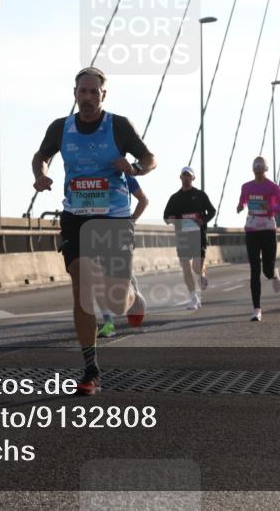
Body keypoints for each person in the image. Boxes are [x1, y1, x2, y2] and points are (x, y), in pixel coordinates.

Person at [32, 66, 156, 395]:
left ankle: (132, 298)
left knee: (114, 303)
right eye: (81, 92)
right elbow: (40, 156)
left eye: (93, 92)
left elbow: (150, 157)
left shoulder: (118, 126)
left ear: (103, 95)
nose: (87, 98)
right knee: (80, 281)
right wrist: (41, 174)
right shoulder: (61, 128)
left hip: (114, 217)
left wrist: (136, 168)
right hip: (76, 214)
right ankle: (91, 369)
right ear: (74, 94)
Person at [236, 157, 280, 322]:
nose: (259, 169)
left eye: (261, 166)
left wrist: (271, 207)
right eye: (256, 166)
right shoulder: (246, 186)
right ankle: (256, 309)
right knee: (254, 268)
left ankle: (274, 275)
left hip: (268, 228)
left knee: (267, 270)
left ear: (265, 169)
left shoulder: (273, 187)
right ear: (253, 169)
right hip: (252, 229)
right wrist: (240, 206)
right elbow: (243, 200)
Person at [98, 174, 148, 338]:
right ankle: (108, 323)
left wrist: (131, 221)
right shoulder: (86, 174)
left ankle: (132, 290)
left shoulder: (125, 176)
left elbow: (143, 200)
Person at [163, 166, 216, 311]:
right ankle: (193, 298)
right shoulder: (175, 198)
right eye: (184, 175)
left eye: (189, 175)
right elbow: (166, 217)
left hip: (198, 236)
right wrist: (172, 219)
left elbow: (212, 211)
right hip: (182, 238)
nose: (186, 177)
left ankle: (202, 274)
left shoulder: (200, 195)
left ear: (193, 178)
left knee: (196, 268)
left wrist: (203, 220)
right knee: (186, 269)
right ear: (180, 178)